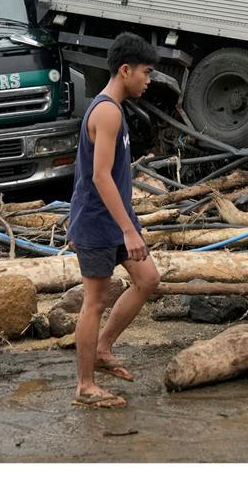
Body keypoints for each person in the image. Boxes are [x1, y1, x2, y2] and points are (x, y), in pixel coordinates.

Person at [66, 32, 160, 409]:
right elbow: (100, 177)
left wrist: (128, 223)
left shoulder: (114, 110)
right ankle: (85, 386)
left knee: (148, 278)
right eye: (146, 72)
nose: (148, 80)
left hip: (115, 218)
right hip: (96, 222)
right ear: (125, 70)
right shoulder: (106, 111)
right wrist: (127, 229)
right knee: (94, 302)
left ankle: (103, 347)